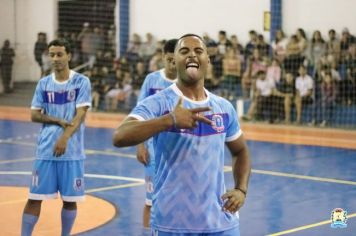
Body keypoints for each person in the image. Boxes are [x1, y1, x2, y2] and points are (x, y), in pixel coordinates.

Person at [113, 34, 251, 235]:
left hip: (221, 223)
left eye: (198, 51)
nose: (192, 55)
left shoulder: (224, 107)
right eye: (184, 51)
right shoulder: (159, 102)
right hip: (172, 223)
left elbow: (241, 151)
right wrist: (169, 120)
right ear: (174, 60)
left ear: (208, 59)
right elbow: (119, 136)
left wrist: (241, 189)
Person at [21, 38, 92, 236]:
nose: (55, 59)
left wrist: (64, 138)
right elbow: (34, 114)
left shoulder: (81, 82)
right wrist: (57, 120)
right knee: (34, 197)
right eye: (51, 55)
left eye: (59, 54)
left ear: (69, 55)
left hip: (72, 151)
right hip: (45, 150)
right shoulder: (43, 84)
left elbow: (80, 115)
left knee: (70, 200)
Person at [135, 38, 178, 228]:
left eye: (175, 59)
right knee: (151, 201)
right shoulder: (152, 80)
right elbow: (140, 113)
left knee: (177, 201)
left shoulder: (186, 82)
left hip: (178, 151)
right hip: (154, 150)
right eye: (168, 59)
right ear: (162, 57)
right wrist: (140, 144)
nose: (172, 63)